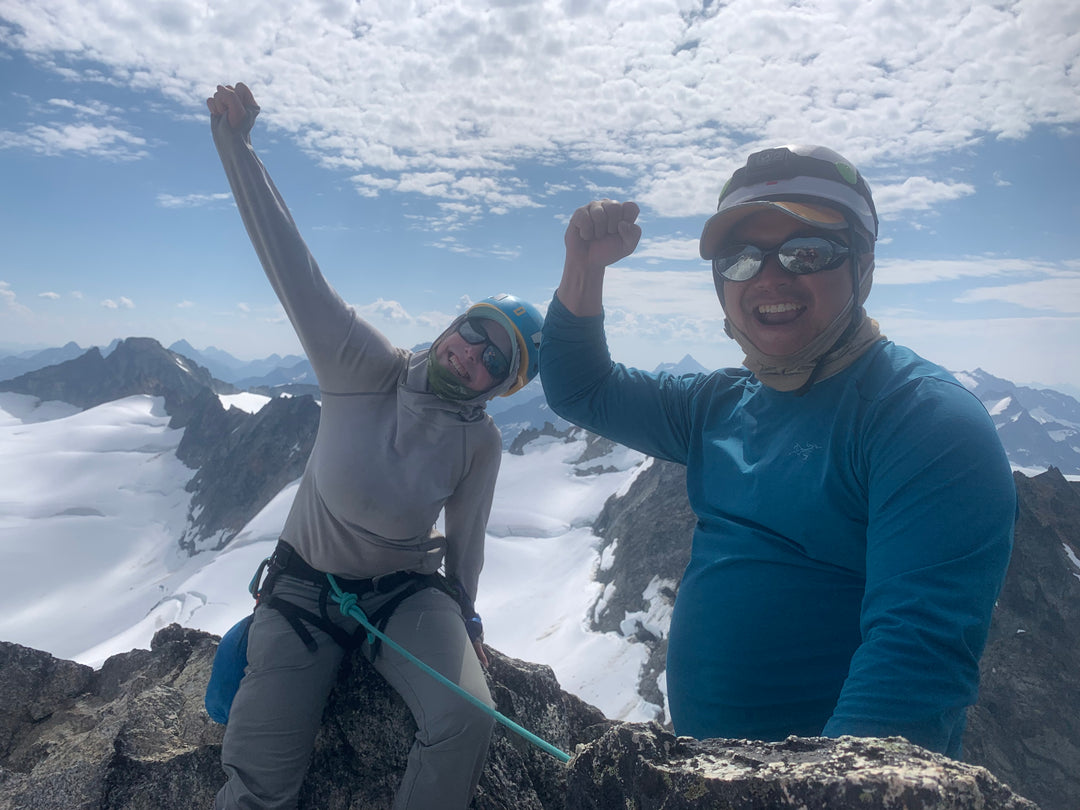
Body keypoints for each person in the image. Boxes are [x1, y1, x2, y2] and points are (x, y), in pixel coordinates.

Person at [539, 144, 1015, 758]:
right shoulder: (719, 403)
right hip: (714, 780)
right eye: (739, 258)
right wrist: (585, 265)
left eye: (806, 251)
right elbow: (582, 388)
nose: (768, 276)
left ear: (862, 262)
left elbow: (912, 670)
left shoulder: (922, 419)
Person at [206, 82, 543, 810]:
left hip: (403, 596)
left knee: (466, 714)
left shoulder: (480, 443)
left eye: (496, 359)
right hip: (301, 590)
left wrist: (467, 619)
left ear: (502, 385)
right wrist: (235, 144)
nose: (471, 354)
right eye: (474, 331)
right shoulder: (363, 367)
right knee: (263, 780)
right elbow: (292, 267)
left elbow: (466, 544)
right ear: (455, 324)